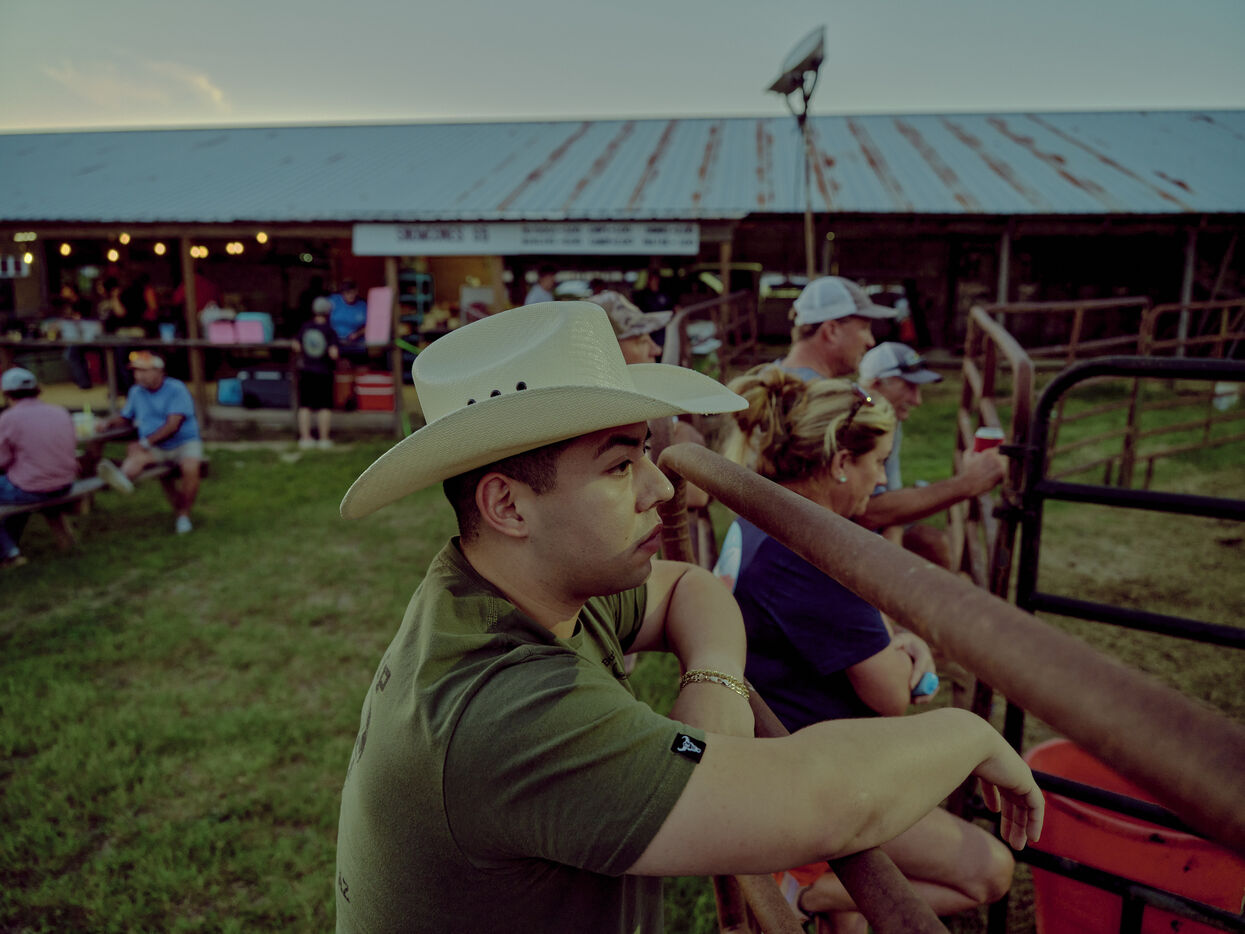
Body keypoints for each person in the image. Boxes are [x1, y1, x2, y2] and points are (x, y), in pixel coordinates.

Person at [334, 300, 1043, 932]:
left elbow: (690, 588)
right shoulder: (508, 713)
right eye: (619, 466)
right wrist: (967, 731)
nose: (661, 487)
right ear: (508, 506)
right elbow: (820, 802)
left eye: (644, 452)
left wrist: (713, 680)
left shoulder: (506, 584)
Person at [713, 367, 1016, 931]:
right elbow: (892, 697)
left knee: (859, 920)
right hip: (809, 776)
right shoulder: (812, 551)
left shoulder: (763, 512)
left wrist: (899, 642)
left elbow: (856, 635)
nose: (880, 481)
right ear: (840, 462)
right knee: (990, 871)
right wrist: (907, 654)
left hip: (772, 745)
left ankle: (822, 892)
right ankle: (807, 893)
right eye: (878, 462)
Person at [858, 342, 1005, 568]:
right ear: (875, 385)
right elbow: (869, 513)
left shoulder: (888, 420)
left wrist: (894, 546)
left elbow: (888, 501)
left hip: (871, 530)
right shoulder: (857, 425)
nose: (918, 401)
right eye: (909, 386)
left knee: (934, 545)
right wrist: (969, 482)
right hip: (843, 534)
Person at [96, 351, 204, 535]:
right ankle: (121, 477)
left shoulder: (176, 389)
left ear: (159, 371)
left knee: (191, 468)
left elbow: (173, 425)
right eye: (136, 371)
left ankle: (183, 516)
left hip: (184, 443)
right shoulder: (136, 392)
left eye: (143, 371)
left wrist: (144, 443)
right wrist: (107, 423)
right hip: (154, 446)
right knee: (133, 464)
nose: (138, 376)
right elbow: (125, 416)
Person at [0, 368, 78, 568]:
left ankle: (10, 554)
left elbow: (2, 460)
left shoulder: (9, 418)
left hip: (35, 487)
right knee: (17, 486)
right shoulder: (59, 411)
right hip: (65, 483)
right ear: (37, 389)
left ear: (6, 393)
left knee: (17, 486)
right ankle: (10, 546)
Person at [780, 276, 897, 381]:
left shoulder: (771, 381)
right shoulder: (825, 396)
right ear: (832, 331)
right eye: (864, 328)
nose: (871, 342)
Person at [296, 297, 340, 449]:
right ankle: (324, 439)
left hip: (306, 371)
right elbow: (333, 353)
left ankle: (305, 438)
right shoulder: (329, 330)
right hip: (324, 372)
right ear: (328, 312)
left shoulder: (305, 327)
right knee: (324, 406)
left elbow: (296, 345)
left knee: (305, 406)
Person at [328, 279, 368, 345]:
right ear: (342, 294)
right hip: (335, 341)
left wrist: (357, 334)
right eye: (347, 293)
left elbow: (370, 326)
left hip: (355, 342)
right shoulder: (334, 300)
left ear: (357, 292)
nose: (350, 295)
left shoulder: (363, 306)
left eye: (353, 292)